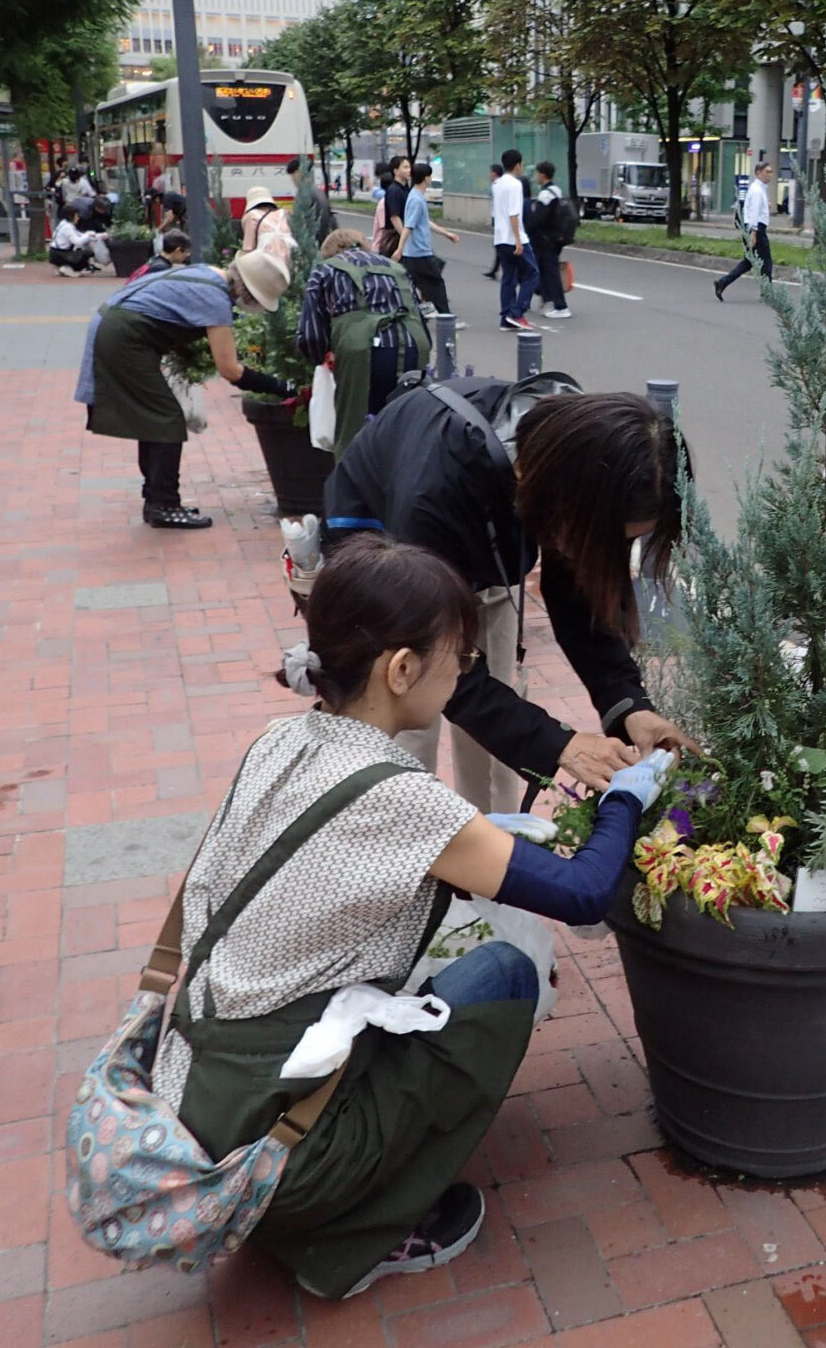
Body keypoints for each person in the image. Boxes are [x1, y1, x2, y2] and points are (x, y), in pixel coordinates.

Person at [149, 536, 670, 1301]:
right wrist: (631, 793)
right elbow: (584, 893)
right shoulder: (400, 798)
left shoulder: (282, 738)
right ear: (401, 670)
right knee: (502, 974)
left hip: (189, 1100)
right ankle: (353, 1229)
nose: (465, 674)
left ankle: (313, 1185)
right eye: (459, 658)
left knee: (439, 950)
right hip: (270, 1161)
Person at [326, 389, 697, 811]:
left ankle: (495, 850)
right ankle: (400, 850)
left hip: (483, 549)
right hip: (392, 561)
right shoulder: (431, 495)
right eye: (608, 539)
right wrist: (562, 744)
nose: (610, 551)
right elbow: (438, 665)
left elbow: (577, 599)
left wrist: (629, 706)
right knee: (407, 727)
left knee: (493, 737)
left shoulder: (574, 455)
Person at [77, 246, 291, 528]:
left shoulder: (208, 273)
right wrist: (281, 387)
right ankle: (164, 505)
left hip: (117, 329)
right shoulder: (216, 298)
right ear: (248, 292)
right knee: (165, 418)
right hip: (124, 339)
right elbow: (230, 369)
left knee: (153, 419)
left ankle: (156, 499)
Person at [297, 227, 428, 456]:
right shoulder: (397, 269)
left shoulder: (325, 270)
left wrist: (321, 354)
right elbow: (420, 317)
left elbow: (310, 335)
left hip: (363, 355)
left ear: (329, 253)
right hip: (413, 348)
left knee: (355, 433)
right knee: (407, 430)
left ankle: (355, 485)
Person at [397, 159, 458, 317]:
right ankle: (445, 315)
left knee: (420, 282)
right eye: (430, 176)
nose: (430, 179)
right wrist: (399, 249)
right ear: (426, 178)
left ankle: (422, 310)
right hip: (419, 252)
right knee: (436, 282)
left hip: (416, 252)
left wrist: (446, 233)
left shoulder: (416, 196)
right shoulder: (416, 200)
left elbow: (424, 222)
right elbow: (408, 226)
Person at [715, 160, 774, 302]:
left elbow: (755, 209)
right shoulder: (757, 190)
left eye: (771, 172)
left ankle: (722, 283)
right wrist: (754, 233)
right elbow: (753, 212)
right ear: (758, 173)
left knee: (749, 261)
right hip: (756, 229)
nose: (770, 175)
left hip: (753, 228)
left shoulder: (758, 189)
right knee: (766, 262)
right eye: (767, 172)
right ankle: (767, 293)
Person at [492, 149, 538, 332]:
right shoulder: (515, 185)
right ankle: (517, 312)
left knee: (509, 278)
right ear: (518, 165)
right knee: (533, 274)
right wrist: (518, 240)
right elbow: (514, 214)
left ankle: (506, 317)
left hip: (500, 236)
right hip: (514, 237)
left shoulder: (497, 183)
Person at [526, 161, 573, 320]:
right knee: (546, 271)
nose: (536, 177)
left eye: (537, 173)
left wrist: (527, 228)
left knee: (550, 272)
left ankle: (561, 306)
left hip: (546, 239)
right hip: (556, 237)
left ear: (542, 174)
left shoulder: (546, 194)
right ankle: (549, 300)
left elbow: (538, 219)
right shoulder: (557, 191)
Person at [49, 204, 111, 276]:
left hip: (55, 253)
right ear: (71, 216)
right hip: (60, 254)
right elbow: (78, 242)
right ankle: (69, 267)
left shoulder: (64, 224)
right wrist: (88, 235)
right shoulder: (67, 227)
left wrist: (100, 235)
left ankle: (63, 267)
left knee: (81, 250)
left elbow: (81, 235)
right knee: (87, 252)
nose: (78, 218)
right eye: (77, 216)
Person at [288, 154, 339, 239]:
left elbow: (312, 224)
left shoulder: (305, 195)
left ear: (299, 172)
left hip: (315, 243)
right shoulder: (317, 191)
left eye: (293, 175)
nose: (292, 179)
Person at [127, 228, 194, 283]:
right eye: (186, 251)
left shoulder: (154, 261)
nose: (187, 255)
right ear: (178, 250)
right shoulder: (161, 269)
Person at [375, 156, 409, 258]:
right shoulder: (394, 190)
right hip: (394, 239)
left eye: (409, 167)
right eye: (405, 167)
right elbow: (394, 217)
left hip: (402, 237)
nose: (409, 170)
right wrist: (406, 239)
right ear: (396, 171)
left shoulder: (405, 190)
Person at [481, 165, 503, 279]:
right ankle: (495, 269)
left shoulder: (496, 185)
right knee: (499, 245)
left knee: (501, 244)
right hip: (498, 216)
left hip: (499, 217)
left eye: (491, 172)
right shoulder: (498, 184)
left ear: (494, 173)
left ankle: (496, 269)